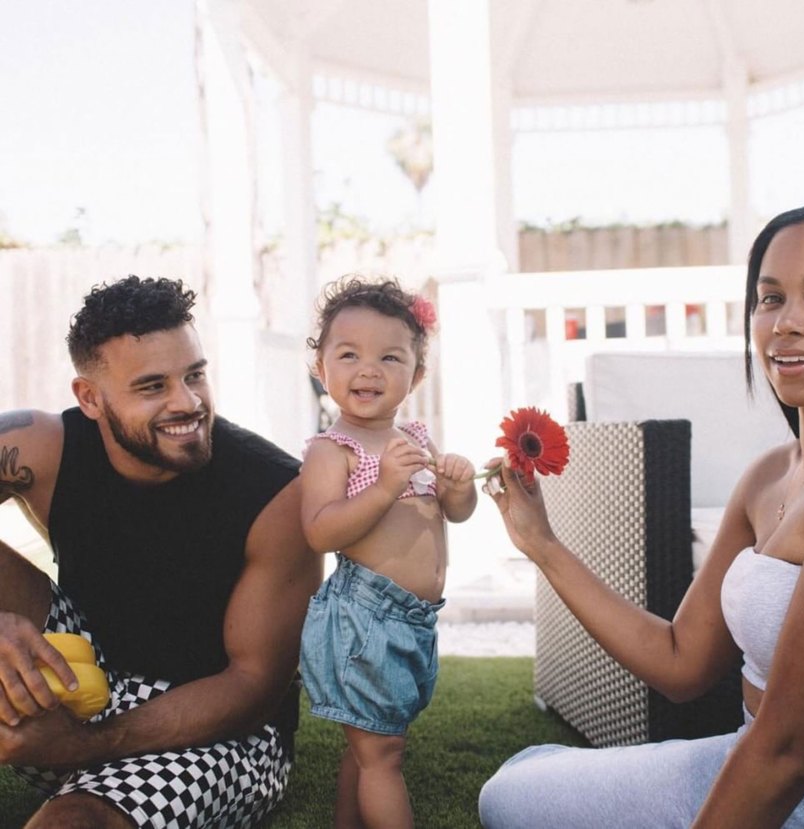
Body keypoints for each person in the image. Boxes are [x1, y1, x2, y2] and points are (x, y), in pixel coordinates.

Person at [479, 197, 804, 827]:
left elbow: (789, 751)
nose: (786, 323)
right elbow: (681, 662)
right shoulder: (768, 476)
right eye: (770, 298)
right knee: (512, 788)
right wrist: (542, 544)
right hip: (748, 753)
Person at [0, 275, 322, 828]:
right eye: (152, 387)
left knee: (74, 822)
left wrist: (76, 746)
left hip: (219, 732)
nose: (188, 402)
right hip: (84, 678)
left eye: (194, 374)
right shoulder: (43, 445)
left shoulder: (275, 495)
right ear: (90, 398)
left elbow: (251, 688)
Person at [298, 276, 477, 828]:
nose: (368, 369)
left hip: (413, 620)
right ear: (320, 368)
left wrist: (458, 486)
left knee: (368, 744)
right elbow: (321, 532)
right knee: (382, 756)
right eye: (349, 354)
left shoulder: (416, 441)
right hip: (364, 617)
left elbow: (456, 513)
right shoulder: (332, 450)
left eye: (390, 357)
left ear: (416, 375)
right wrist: (382, 488)